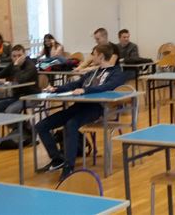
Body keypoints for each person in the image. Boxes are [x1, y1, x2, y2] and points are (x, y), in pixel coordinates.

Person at [35, 44, 125, 179]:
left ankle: (69, 167)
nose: (91, 57)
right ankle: (57, 159)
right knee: (41, 126)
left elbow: (107, 87)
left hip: (97, 108)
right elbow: (75, 84)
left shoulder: (116, 73)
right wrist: (56, 89)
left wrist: (85, 90)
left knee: (71, 124)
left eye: (93, 54)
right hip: (79, 106)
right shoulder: (93, 72)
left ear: (101, 56)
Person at [0, 44, 40, 114]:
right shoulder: (12, 65)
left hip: (31, 97)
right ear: (11, 57)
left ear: (24, 55)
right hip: (17, 96)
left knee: (10, 110)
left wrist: (16, 65)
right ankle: (14, 121)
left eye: (19, 55)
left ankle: (20, 121)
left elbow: (20, 80)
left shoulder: (30, 66)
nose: (17, 58)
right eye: (14, 56)